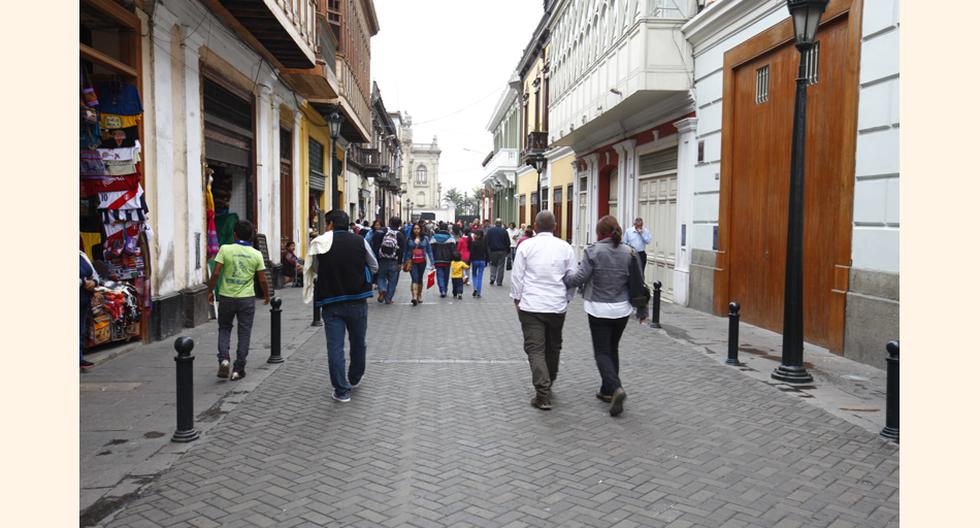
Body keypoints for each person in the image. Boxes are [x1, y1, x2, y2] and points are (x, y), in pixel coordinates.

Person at [563, 215, 647, 417]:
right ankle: (607, 391)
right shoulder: (630, 252)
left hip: (598, 308)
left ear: (600, 232)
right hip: (621, 309)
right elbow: (638, 283)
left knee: (601, 352)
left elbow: (580, 278)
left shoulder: (593, 251)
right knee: (612, 348)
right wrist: (642, 310)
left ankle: (616, 387)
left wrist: (565, 278)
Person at [304, 209, 379, 402]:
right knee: (358, 342)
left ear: (329, 224)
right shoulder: (359, 241)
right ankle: (354, 377)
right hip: (357, 299)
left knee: (335, 347)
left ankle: (341, 390)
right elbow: (374, 266)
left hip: (331, 301)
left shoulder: (320, 243)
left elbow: (314, 269)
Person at [510, 211, 576, 411]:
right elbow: (572, 277)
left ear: (535, 227)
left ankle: (542, 391)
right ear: (555, 226)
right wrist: (567, 298)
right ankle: (550, 380)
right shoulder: (565, 248)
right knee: (553, 345)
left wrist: (517, 297)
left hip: (532, 305)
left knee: (535, 348)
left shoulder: (526, 246)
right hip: (556, 305)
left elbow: (517, 275)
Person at [208, 220, 271, 381]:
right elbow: (262, 279)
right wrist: (266, 295)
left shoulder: (225, 249)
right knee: (244, 333)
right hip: (246, 299)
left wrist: (210, 291)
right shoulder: (256, 254)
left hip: (226, 297)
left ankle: (223, 359)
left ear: (234, 234)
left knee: (224, 328)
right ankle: (238, 369)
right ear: (251, 236)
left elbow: (215, 273)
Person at [370, 216, 407, 304]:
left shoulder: (382, 231)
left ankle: (382, 289)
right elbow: (402, 250)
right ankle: (388, 299)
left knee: (381, 276)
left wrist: (376, 256)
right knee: (393, 280)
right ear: (399, 224)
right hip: (394, 260)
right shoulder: (400, 235)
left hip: (382, 259)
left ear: (390, 222)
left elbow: (375, 242)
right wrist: (400, 263)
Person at [404, 222, 434, 306]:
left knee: (420, 279)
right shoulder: (409, 238)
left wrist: (432, 262)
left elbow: (429, 251)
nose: (416, 230)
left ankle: (419, 294)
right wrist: (403, 262)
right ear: (412, 230)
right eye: (414, 229)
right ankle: (414, 297)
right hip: (411, 261)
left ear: (421, 229)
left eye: (418, 229)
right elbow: (405, 251)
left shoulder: (425, 238)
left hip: (422, 261)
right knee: (415, 278)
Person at [80, 249, 99, 370]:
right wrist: (83, 281)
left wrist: (94, 282)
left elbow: (95, 274)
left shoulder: (81, 255)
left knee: (80, 329)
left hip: (83, 300)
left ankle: (79, 358)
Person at [430, 222, 456, 298]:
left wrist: (432, 260)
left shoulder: (434, 237)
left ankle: (442, 290)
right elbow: (453, 250)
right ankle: (445, 288)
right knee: (446, 276)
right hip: (447, 260)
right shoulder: (451, 238)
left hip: (437, 260)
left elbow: (431, 249)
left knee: (439, 275)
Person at [486, 218, 511, 286]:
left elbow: (487, 241)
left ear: (495, 223)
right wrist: (508, 251)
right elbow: (507, 242)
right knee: (501, 266)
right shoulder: (504, 231)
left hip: (493, 251)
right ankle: (499, 281)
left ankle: (492, 278)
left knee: (493, 265)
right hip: (502, 251)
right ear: (501, 224)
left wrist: (488, 251)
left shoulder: (490, 230)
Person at [468, 229, 489, 298]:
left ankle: (475, 288)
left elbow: (471, 252)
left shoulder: (474, 243)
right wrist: (487, 261)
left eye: (475, 234)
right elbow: (487, 252)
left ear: (478, 236)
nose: (474, 235)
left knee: (474, 275)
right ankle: (479, 292)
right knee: (480, 277)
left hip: (475, 261)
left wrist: (469, 261)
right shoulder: (484, 243)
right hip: (482, 261)